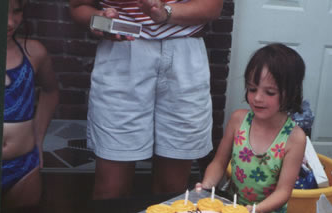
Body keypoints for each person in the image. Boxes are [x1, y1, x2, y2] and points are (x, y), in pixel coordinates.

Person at [69, 0, 223, 199]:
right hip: (123, 50)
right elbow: (78, 6)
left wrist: (166, 12)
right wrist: (100, 21)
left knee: (172, 190)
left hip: (184, 51)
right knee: (111, 189)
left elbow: (212, 6)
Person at [196, 44, 307, 213]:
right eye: (252, 89)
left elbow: (283, 191)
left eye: (269, 92)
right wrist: (207, 186)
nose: (257, 98)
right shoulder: (238, 120)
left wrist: (255, 210)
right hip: (231, 210)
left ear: (291, 93)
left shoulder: (295, 138)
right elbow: (219, 163)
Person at [2, 0, 59, 207]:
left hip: (23, 167)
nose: (10, 22)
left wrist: (39, 138)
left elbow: (51, 90)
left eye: (16, 12)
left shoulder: (33, 53)